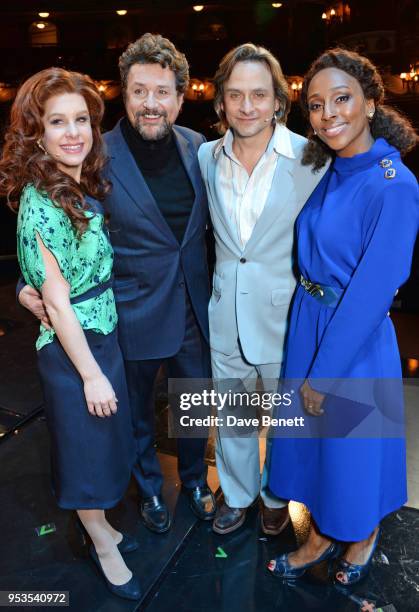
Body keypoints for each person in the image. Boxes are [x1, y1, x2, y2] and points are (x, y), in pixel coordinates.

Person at [18, 34, 216, 533]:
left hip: (193, 307)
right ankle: (148, 486)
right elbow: (56, 218)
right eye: (139, 91)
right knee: (137, 416)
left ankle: (194, 479)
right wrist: (30, 281)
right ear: (123, 95)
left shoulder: (201, 149)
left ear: (180, 95)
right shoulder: (94, 151)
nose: (151, 103)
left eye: (163, 91)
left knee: (196, 405)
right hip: (130, 310)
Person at [267, 48, 419, 583]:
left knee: (350, 451)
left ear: (372, 104)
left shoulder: (392, 183)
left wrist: (325, 370)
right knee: (317, 450)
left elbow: (374, 290)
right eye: (315, 104)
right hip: (310, 322)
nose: (328, 113)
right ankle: (324, 535)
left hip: (348, 338)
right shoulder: (332, 167)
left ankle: (359, 533)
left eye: (342, 99)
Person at [0, 68, 141, 600]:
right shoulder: (42, 200)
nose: (73, 132)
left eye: (80, 119)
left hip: (100, 333)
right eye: (57, 122)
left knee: (103, 446)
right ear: (36, 132)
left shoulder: (76, 181)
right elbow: (57, 305)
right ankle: (101, 539)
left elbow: (49, 276)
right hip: (72, 350)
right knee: (85, 455)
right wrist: (91, 376)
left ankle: (99, 524)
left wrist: (24, 286)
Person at [198, 44, 328, 535]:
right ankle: (236, 493)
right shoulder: (206, 158)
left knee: (284, 420)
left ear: (278, 100)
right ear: (221, 103)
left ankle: (276, 494)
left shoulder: (311, 158)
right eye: (235, 95)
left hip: (284, 315)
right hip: (224, 312)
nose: (246, 106)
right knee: (232, 414)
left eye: (258, 94)